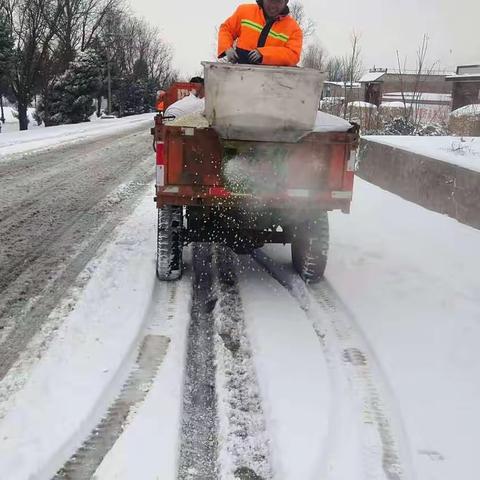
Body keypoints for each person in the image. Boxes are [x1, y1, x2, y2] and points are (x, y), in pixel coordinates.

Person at [218, 0, 303, 67]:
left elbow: (293, 55)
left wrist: (264, 54)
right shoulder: (244, 11)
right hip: (240, 72)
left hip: (272, 80)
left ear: (286, 2)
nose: (273, 5)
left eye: (278, 1)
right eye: (270, 0)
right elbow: (226, 29)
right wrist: (227, 48)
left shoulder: (294, 29)